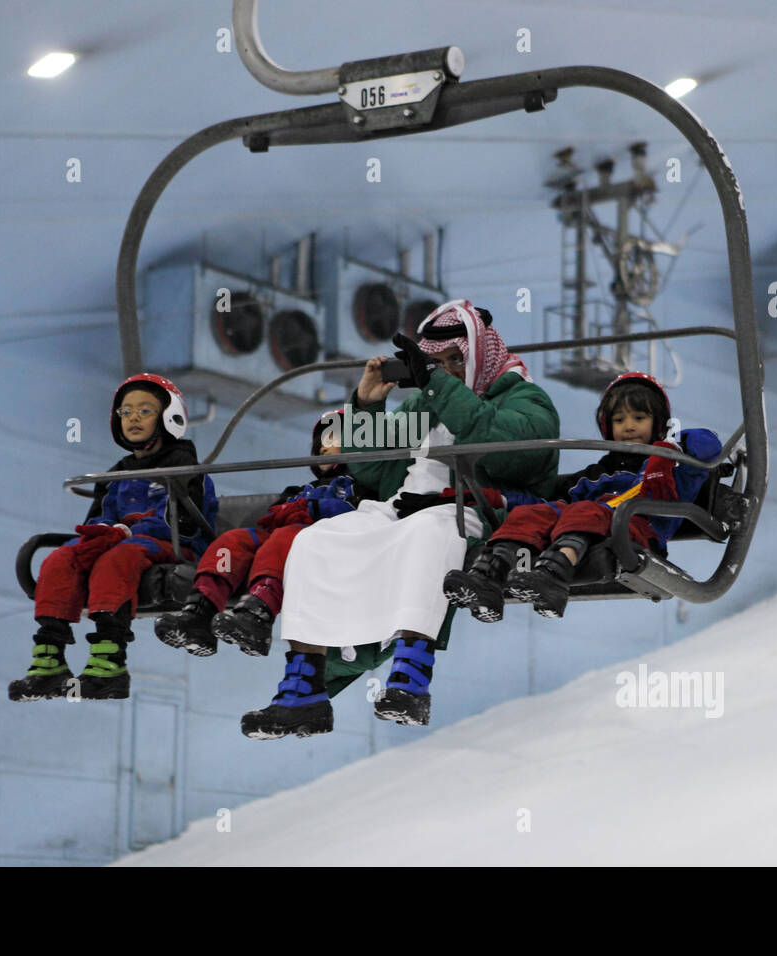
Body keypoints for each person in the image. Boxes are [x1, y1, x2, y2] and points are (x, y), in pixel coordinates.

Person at [240, 300, 560, 739]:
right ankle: (304, 686)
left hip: (470, 507)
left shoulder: (523, 397)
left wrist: (436, 387)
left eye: (454, 361)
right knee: (316, 540)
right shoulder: (423, 407)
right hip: (398, 507)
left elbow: (509, 449)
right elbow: (370, 470)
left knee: (431, 534)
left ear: (480, 357)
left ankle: (410, 677)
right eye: (436, 362)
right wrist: (367, 406)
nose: (445, 371)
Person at [444, 371, 721, 621]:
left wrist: (669, 448)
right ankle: (489, 577)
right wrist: (498, 499)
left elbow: (709, 444)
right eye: (619, 419)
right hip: (588, 522)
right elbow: (554, 507)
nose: (629, 426)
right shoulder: (595, 473)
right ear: (607, 427)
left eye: (640, 418)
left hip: (636, 530)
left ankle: (554, 575)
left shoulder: (673, 468)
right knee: (531, 514)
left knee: (587, 509)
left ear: (658, 423)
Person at [8, 373, 218, 702]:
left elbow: (181, 521)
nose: (133, 418)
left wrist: (125, 532)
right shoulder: (117, 474)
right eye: (125, 412)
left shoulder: (184, 469)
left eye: (145, 411)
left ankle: (110, 664)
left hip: (175, 546)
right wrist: (103, 532)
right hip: (126, 544)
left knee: (117, 558)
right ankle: (49, 660)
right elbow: (99, 517)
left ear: (168, 416)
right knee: (64, 557)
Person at [154, 408, 376, 658]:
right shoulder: (298, 490)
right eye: (320, 443)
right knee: (233, 541)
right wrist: (290, 509)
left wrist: (310, 509)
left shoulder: (358, 488)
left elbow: (356, 517)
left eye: (333, 439)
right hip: (280, 538)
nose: (324, 448)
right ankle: (200, 611)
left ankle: (258, 614)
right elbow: (273, 516)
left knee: (285, 538)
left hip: (319, 546)